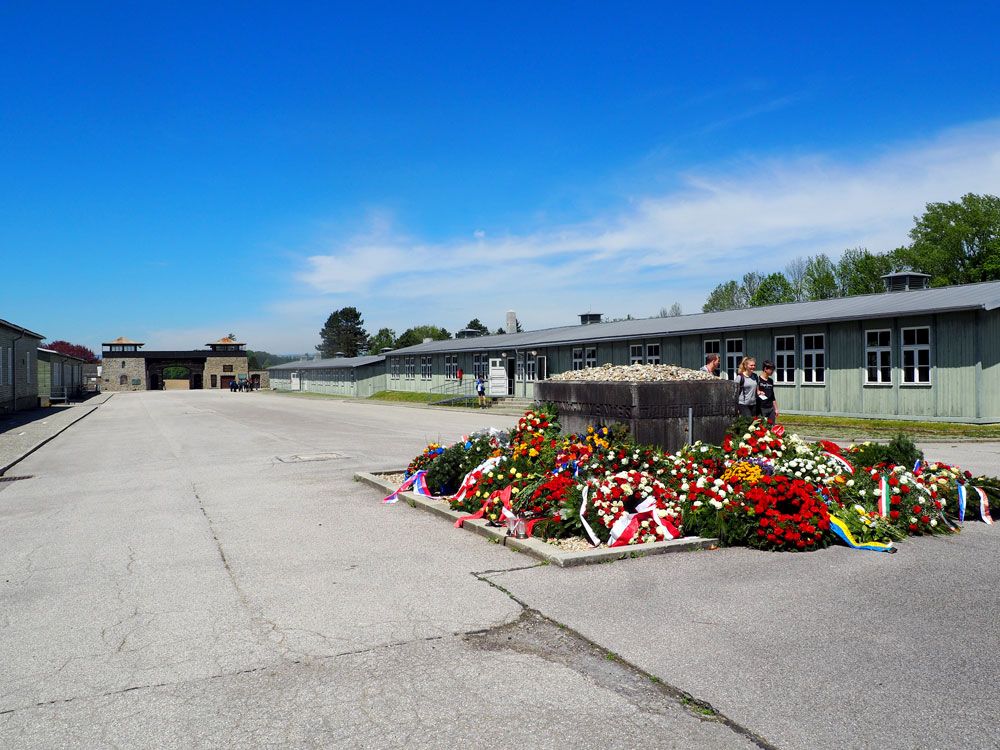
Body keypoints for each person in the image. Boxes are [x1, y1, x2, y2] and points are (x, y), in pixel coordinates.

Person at [756, 360, 778, 425]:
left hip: (770, 408)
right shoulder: (758, 380)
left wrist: (776, 409)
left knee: (772, 426)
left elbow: (772, 396)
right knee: (761, 427)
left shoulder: (771, 381)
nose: (772, 371)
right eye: (771, 369)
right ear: (765, 369)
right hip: (761, 408)